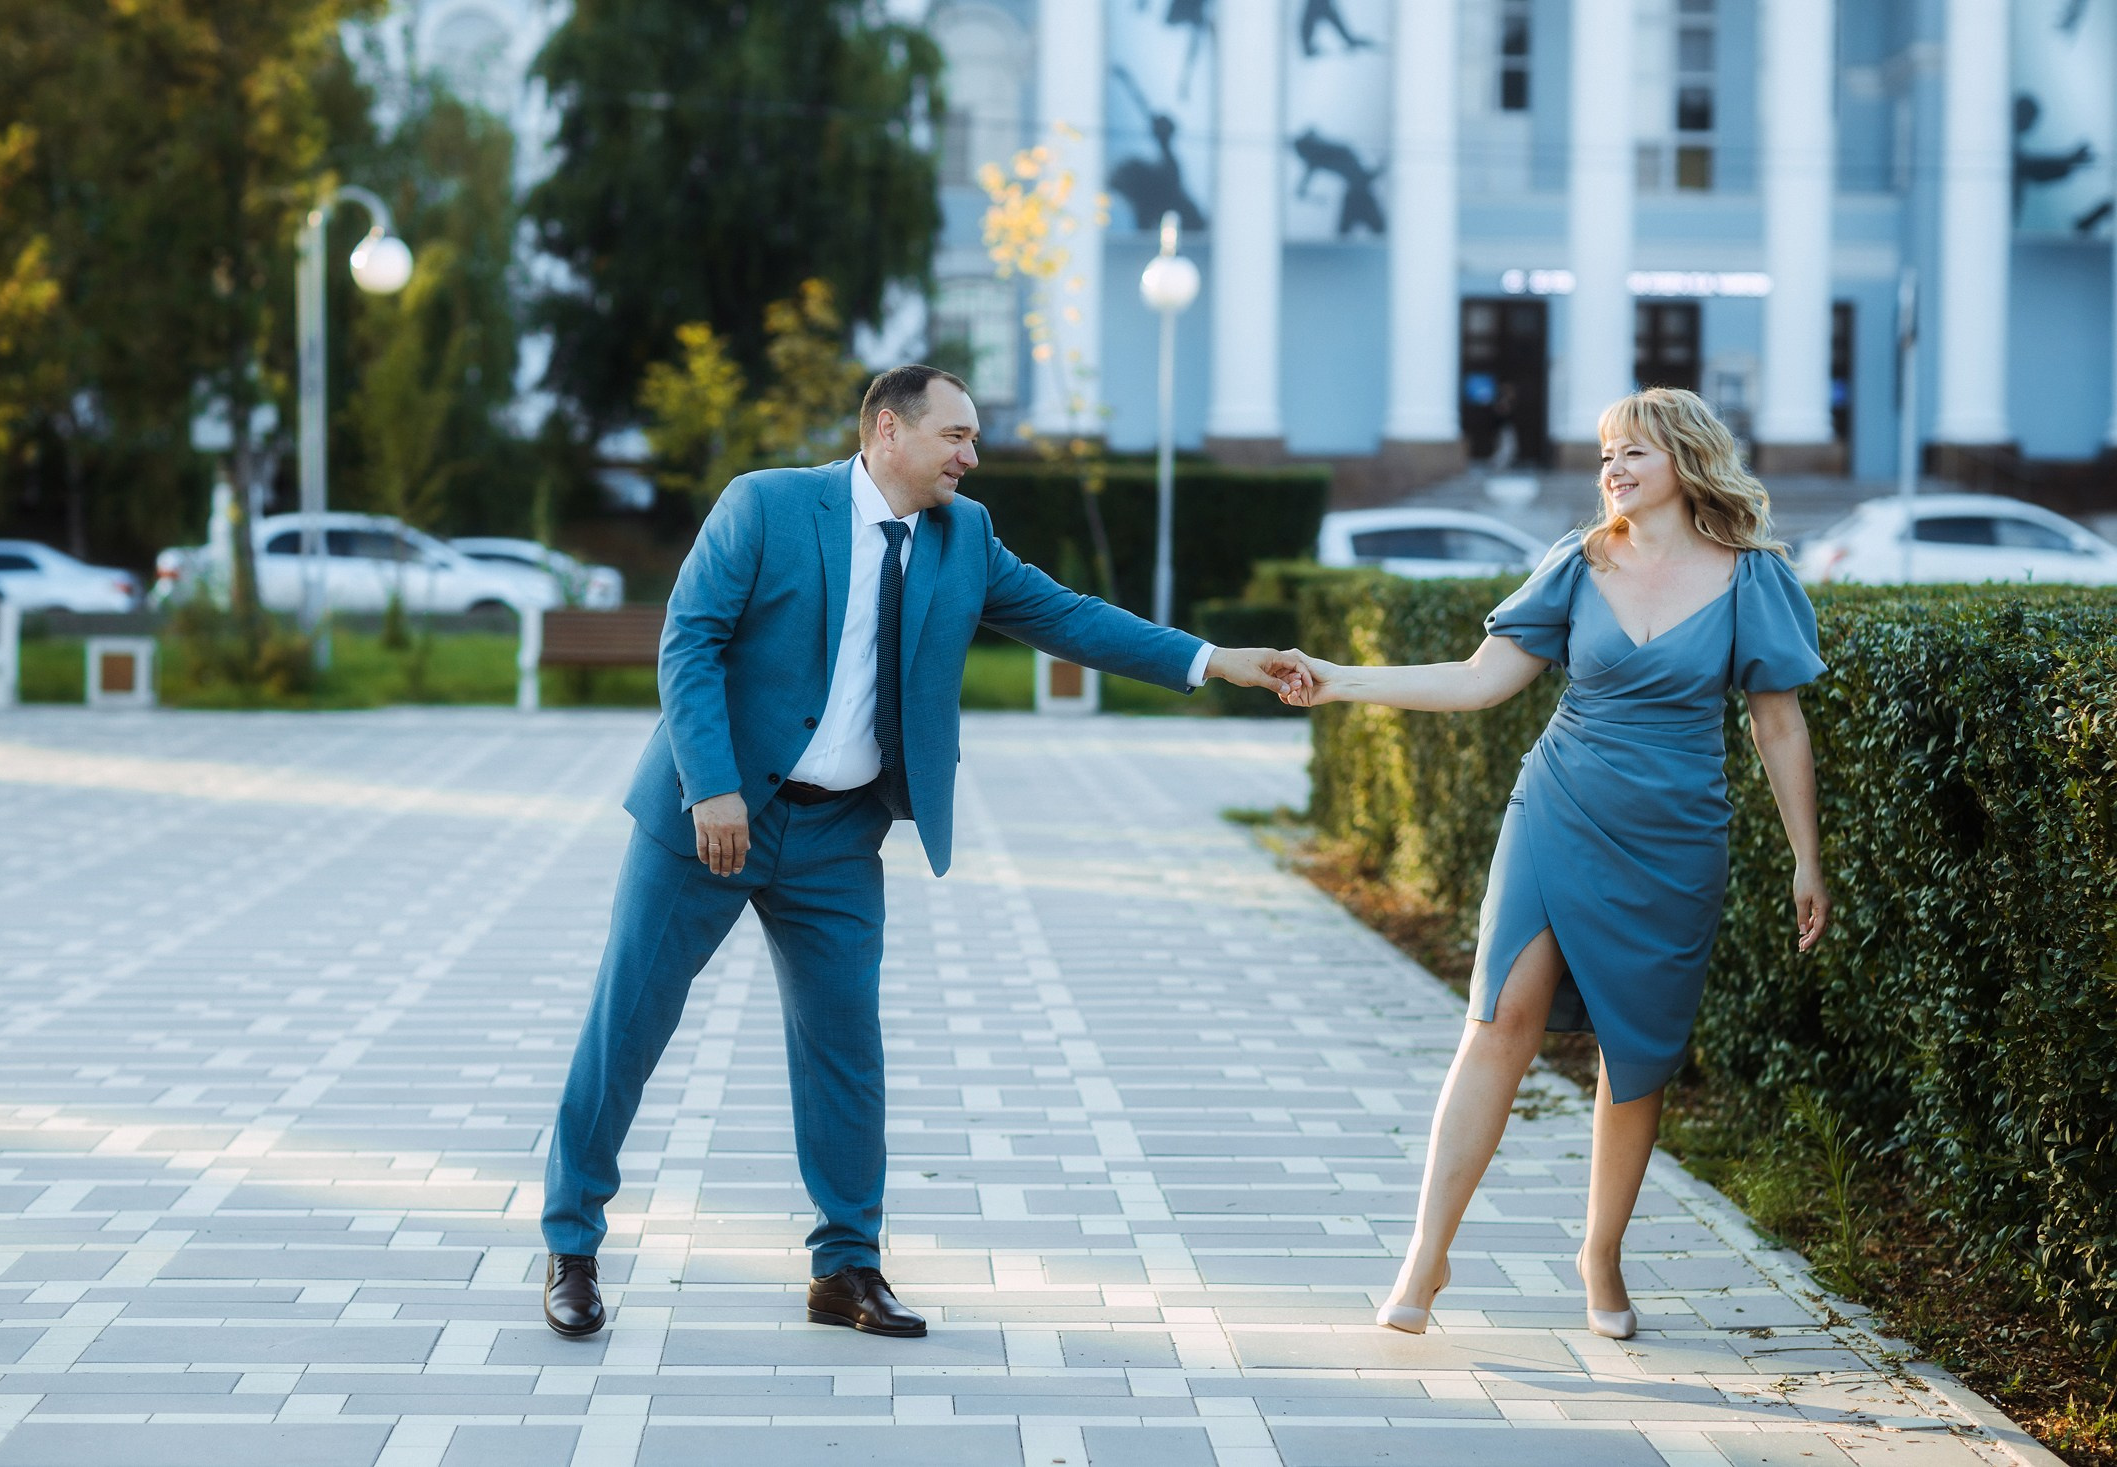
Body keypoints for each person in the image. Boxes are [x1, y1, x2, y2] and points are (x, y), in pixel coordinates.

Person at [539, 365, 1299, 1338]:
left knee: (846, 1049)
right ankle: (572, 1244)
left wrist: (1213, 660)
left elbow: (1068, 618)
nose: (971, 458)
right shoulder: (767, 507)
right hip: (707, 819)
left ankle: (845, 1269)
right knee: (630, 1025)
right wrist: (713, 787)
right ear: (887, 432)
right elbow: (688, 642)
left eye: (972, 440)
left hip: (835, 835)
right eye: (956, 437)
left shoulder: (963, 537)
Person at [1279, 387, 1829, 1339]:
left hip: (1675, 839)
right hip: (1559, 809)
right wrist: (1339, 682)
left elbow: (1776, 724)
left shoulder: (1751, 579)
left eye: (1635, 453)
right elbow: (1478, 679)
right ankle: (1427, 1252)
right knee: (1500, 1019)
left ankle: (1600, 1253)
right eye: (1607, 452)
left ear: (1686, 462)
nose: (1612, 467)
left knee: (1638, 1055)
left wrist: (1805, 858)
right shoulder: (1576, 563)